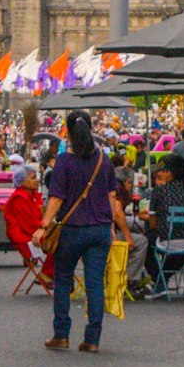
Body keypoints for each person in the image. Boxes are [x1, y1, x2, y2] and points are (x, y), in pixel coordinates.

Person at [39, 113, 129, 354]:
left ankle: (61, 334)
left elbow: (57, 198)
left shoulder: (64, 162)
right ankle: (92, 339)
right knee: (94, 284)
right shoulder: (104, 160)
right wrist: (110, 226)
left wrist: (44, 224)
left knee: (63, 280)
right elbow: (112, 196)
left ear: (67, 132)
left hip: (71, 231)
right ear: (91, 129)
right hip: (99, 230)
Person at [142, 153, 184, 286]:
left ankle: (159, 280)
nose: (158, 174)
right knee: (181, 241)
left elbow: (153, 224)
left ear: (169, 173)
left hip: (170, 242)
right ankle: (162, 279)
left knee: (145, 242)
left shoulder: (159, 191)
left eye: (161, 171)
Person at [3, 166, 47, 281]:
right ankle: (48, 274)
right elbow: (29, 226)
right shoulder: (20, 198)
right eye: (33, 178)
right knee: (61, 243)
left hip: (33, 232)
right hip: (25, 236)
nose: (37, 180)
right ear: (22, 182)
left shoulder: (30, 195)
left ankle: (50, 273)